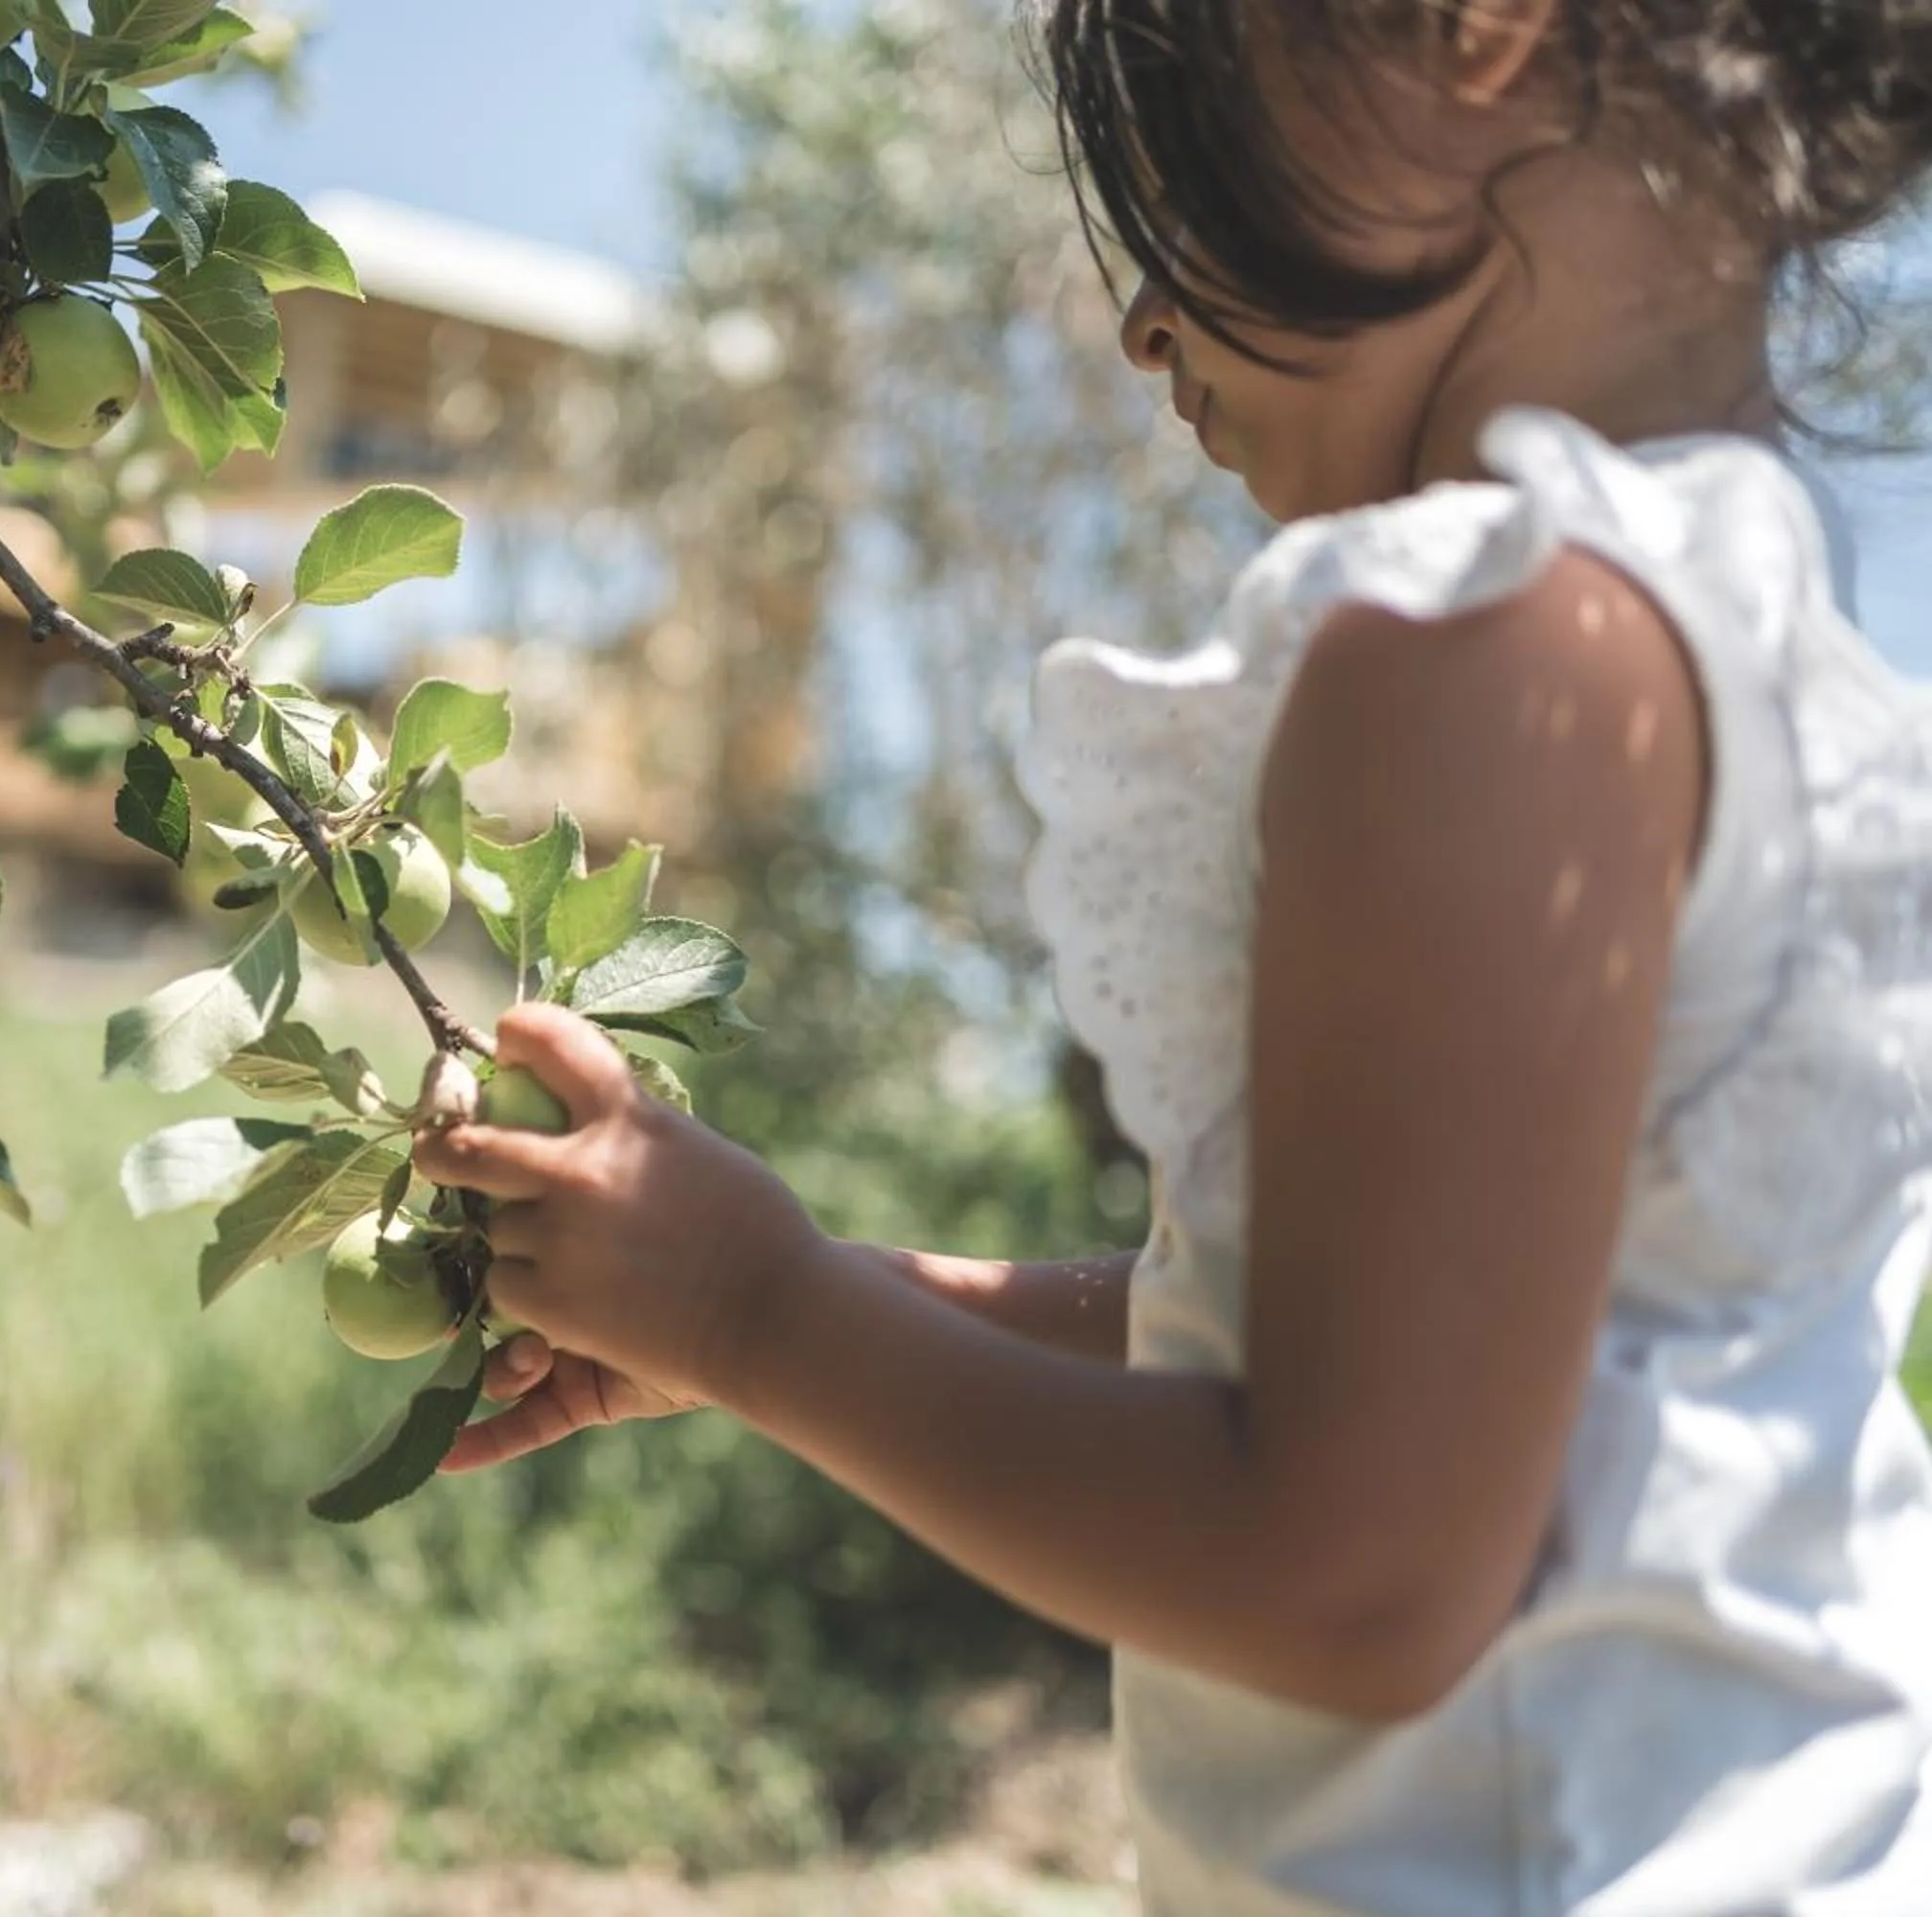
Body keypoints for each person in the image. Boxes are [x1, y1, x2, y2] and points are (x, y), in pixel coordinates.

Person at [408, 2, 1932, 1909]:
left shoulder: (1488, 654)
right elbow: (1407, 1347)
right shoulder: (1757, 633)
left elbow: (1356, 1567)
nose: (1143, 315)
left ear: (1474, 29)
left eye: (1183, 135)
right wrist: (832, 1295)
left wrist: (766, 1313)